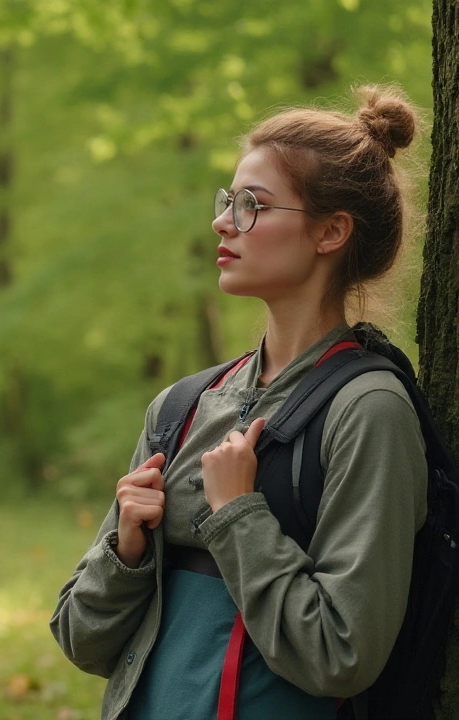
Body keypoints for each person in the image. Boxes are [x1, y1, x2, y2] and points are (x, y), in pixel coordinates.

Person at [50, 85, 429, 720]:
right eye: (228, 201)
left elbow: (342, 654)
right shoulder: (183, 407)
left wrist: (237, 514)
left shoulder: (369, 410)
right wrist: (128, 550)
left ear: (331, 231)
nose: (223, 222)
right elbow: (82, 640)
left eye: (252, 205)